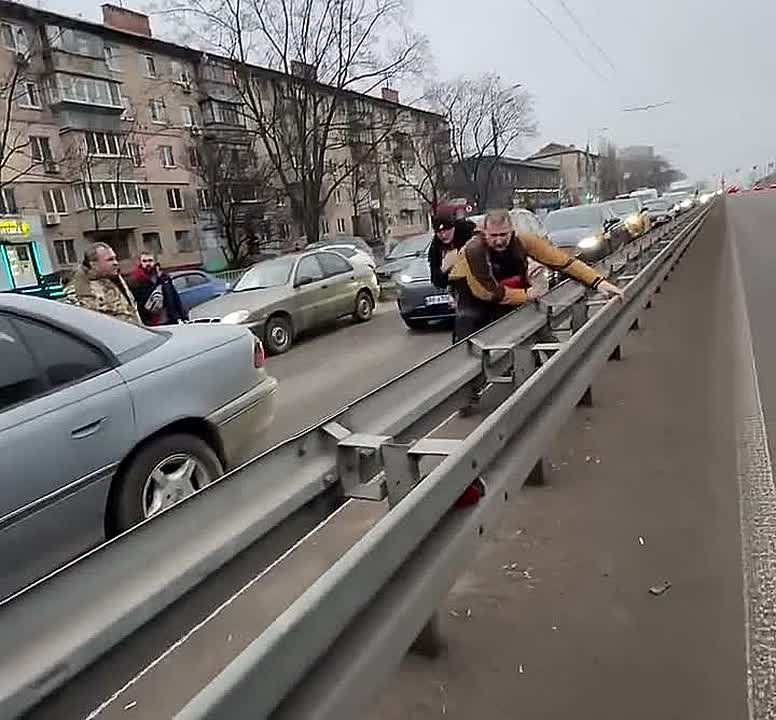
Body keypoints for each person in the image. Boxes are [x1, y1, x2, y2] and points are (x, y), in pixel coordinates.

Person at [448, 208, 623, 342]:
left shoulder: (523, 241)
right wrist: (526, 295)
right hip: (473, 294)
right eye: (493, 236)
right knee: (471, 331)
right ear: (484, 233)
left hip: (509, 288)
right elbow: (486, 292)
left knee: (536, 327)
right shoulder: (474, 251)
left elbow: (564, 262)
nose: (499, 240)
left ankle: (554, 366)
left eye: (504, 235)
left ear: (512, 231)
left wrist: (599, 282)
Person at [63, 242, 141, 325]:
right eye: (110, 260)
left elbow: (131, 309)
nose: (116, 263)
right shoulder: (78, 289)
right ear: (93, 264)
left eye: (115, 258)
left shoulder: (115, 278)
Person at [127, 252, 187, 326]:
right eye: (144, 261)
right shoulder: (134, 281)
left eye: (150, 260)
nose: (148, 263)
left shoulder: (164, 278)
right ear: (140, 262)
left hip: (169, 319)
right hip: (149, 322)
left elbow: (174, 297)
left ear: (155, 262)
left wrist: (182, 316)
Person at [427, 215, 476, 290]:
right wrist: (443, 270)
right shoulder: (436, 248)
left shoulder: (470, 237)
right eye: (439, 232)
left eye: (447, 230)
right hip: (459, 291)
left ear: (453, 228)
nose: (443, 235)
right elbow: (437, 281)